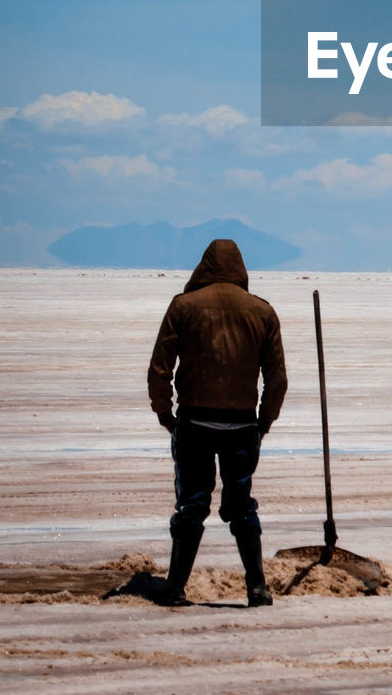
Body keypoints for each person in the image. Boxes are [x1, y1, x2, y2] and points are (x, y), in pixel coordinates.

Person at [147, 238, 288, 606]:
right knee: (241, 504)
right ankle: (257, 588)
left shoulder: (184, 307)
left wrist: (165, 414)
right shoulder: (262, 312)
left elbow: (159, 369)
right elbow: (277, 379)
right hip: (241, 425)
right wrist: (263, 421)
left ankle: (175, 587)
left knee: (193, 504)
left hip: (194, 422)